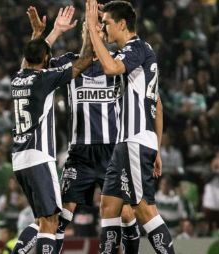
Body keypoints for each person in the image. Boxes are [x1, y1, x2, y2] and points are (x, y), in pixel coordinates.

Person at [26, 5, 141, 253]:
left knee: (125, 213)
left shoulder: (116, 65)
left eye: (100, 28)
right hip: (80, 154)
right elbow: (31, 70)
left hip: (112, 151)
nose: (96, 31)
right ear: (84, 33)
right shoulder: (69, 63)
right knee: (61, 217)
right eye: (91, 27)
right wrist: (44, 33)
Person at [86, 1, 174, 253]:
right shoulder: (137, 54)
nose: (104, 28)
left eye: (107, 24)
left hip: (134, 140)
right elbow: (157, 104)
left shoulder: (136, 48)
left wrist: (92, 29)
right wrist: (156, 148)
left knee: (143, 207)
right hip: (128, 143)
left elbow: (111, 67)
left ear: (122, 24)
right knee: (109, 206)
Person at [10, 6, 93, 254]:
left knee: (40, 221)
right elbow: (83, 62)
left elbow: (32, 56)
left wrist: (46, 33)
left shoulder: (18, 78)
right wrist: (91, 33)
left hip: (20, 159)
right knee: (51, 222)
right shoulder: (44, 79)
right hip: (39, 157)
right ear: (46, 60)